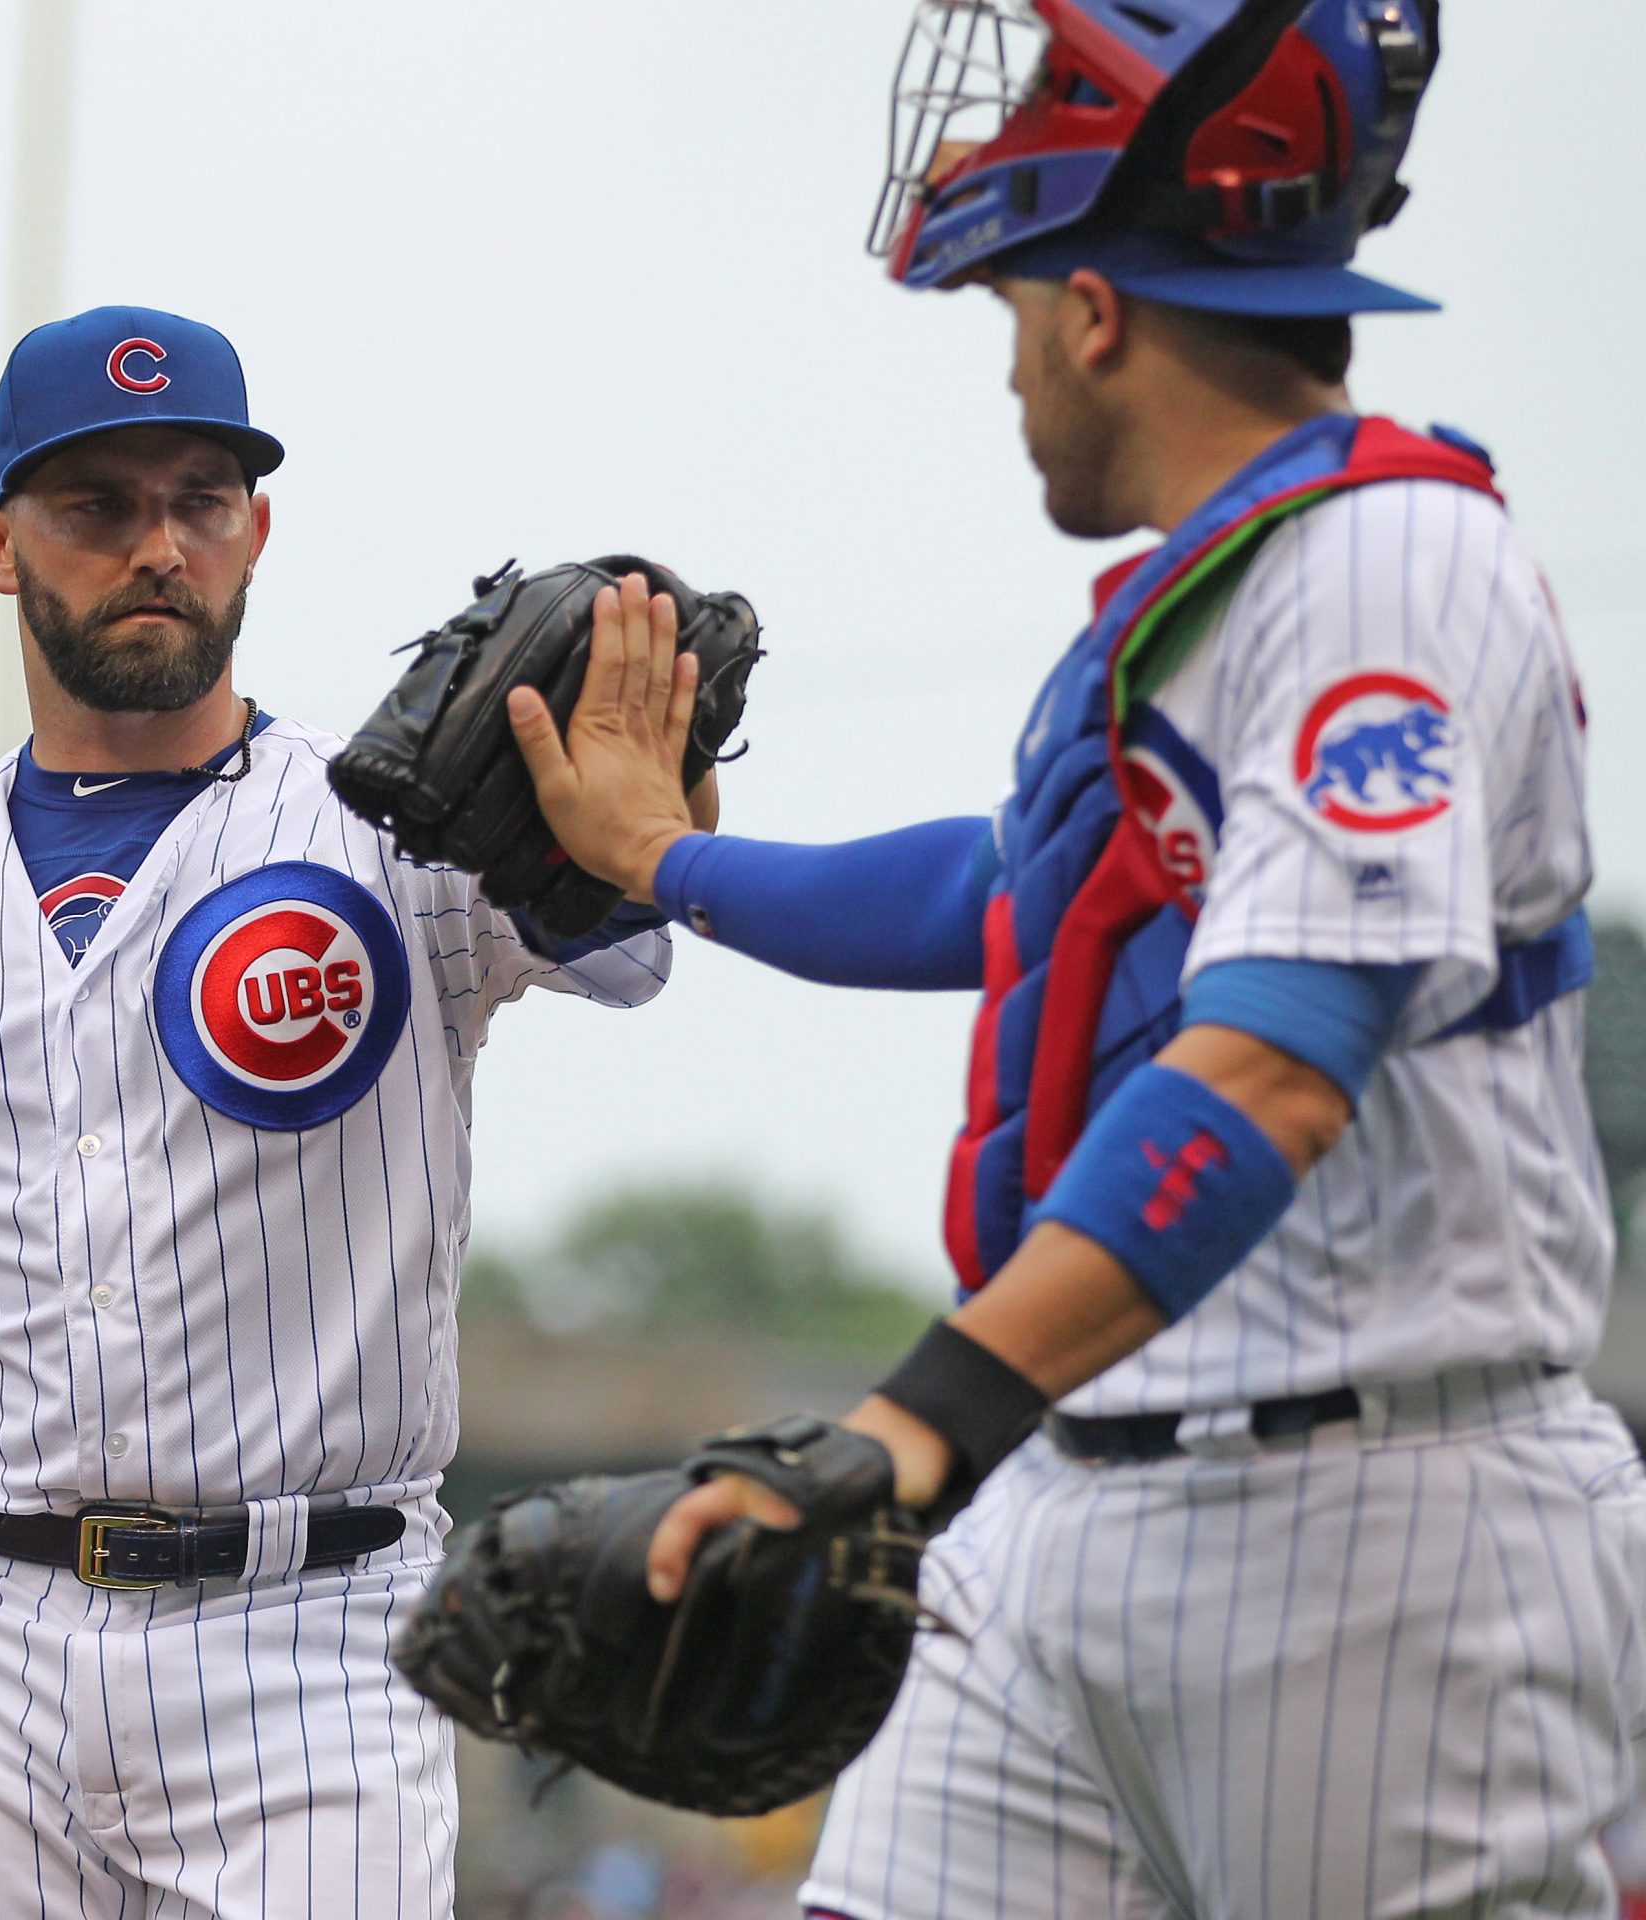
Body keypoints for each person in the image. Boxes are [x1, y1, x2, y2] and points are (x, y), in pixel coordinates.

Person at [507, 5, 1646, 1914]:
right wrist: (671, 859)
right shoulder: (1209, 593)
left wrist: (908, 1424)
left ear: (1099, 311)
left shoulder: (1388, 568)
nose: (1018, 361)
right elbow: (1024, 904)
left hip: (1379, 1530)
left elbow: (1274, 1060)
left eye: (1019, 306)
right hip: (1066, 1501)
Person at [0, 304, 698, 1918]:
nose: (159, 545)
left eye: (202, 500)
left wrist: (656, 815)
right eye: (98, 506)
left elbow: (629, 934)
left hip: (315, 1633)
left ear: (257, 532)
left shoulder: (402, 837)